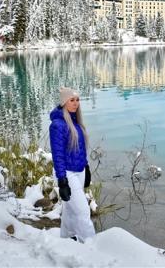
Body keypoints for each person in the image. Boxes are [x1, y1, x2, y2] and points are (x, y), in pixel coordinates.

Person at [49, 87, 95, 242]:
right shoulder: (57, 125)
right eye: (71, 100)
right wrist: (62, 181)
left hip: (79, 171)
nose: (76, 104)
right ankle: (92, 248)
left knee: (69, 211)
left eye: (77, 100)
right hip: (67, 173)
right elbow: (58, 156)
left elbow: (79, 149)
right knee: (83, 212)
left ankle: (66, 240)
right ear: (64, 103)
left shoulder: (76, 123)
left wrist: (86, 167)